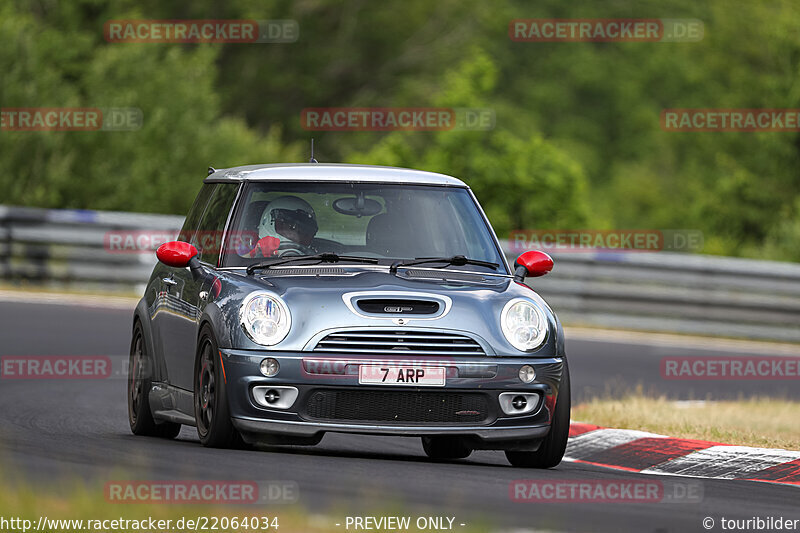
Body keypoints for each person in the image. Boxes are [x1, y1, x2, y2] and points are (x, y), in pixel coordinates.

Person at [247, 195, 318, 258]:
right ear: (268, 222)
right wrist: (256, 255)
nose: (295, 234)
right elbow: (241, 262)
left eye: (305, 230)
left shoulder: (320, 257)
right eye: (291, 226)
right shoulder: (253, 255)